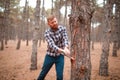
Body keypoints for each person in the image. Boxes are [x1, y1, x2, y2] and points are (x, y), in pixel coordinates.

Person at [37, 15, 70, 80]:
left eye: (55, 21)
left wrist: (66, 47)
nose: (54, 23)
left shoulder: (62, 29)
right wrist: (63, 51)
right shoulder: (47, 33)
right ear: (49, 24)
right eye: (52, 22)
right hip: (50, 56)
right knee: (43, 73)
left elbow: (65, 39)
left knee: (60, 76)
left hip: (60, 57)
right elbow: (52, 45)